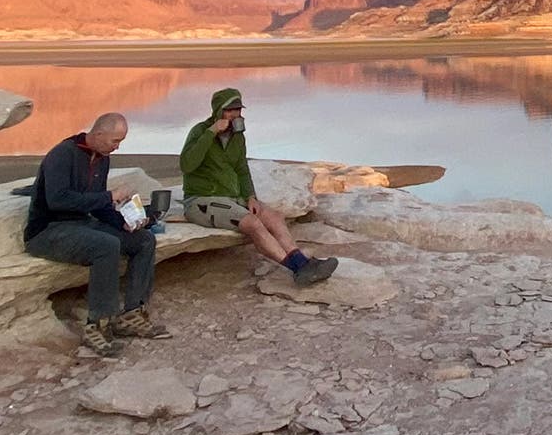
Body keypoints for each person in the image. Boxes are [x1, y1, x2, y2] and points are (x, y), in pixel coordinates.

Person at [23, 112, 171, 356]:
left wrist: (121, 221)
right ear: (98, 133)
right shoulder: (62, 154)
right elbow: (58, 200)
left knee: (143, 240)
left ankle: (132, 314)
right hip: (48, 231)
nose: (117, 146)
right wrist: (108, 197)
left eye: (120, 141)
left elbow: (97, 206)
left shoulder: (102, 158)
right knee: (106, 245)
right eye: (115, 141)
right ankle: (98, 325)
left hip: (81, 224)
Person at [179, 88, 338, 286]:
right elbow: (186, 164)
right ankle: (298, 268)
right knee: (253, 224)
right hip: (202, 200)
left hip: (232, 198)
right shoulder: (200, 132)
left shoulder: (237, 137)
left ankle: (303, 263)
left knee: (273, 217)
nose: (235, 115)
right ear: (218, 111)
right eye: (230, 110)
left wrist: (250, 196)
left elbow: (242, 169)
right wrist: (211, 133)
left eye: (238, 110)